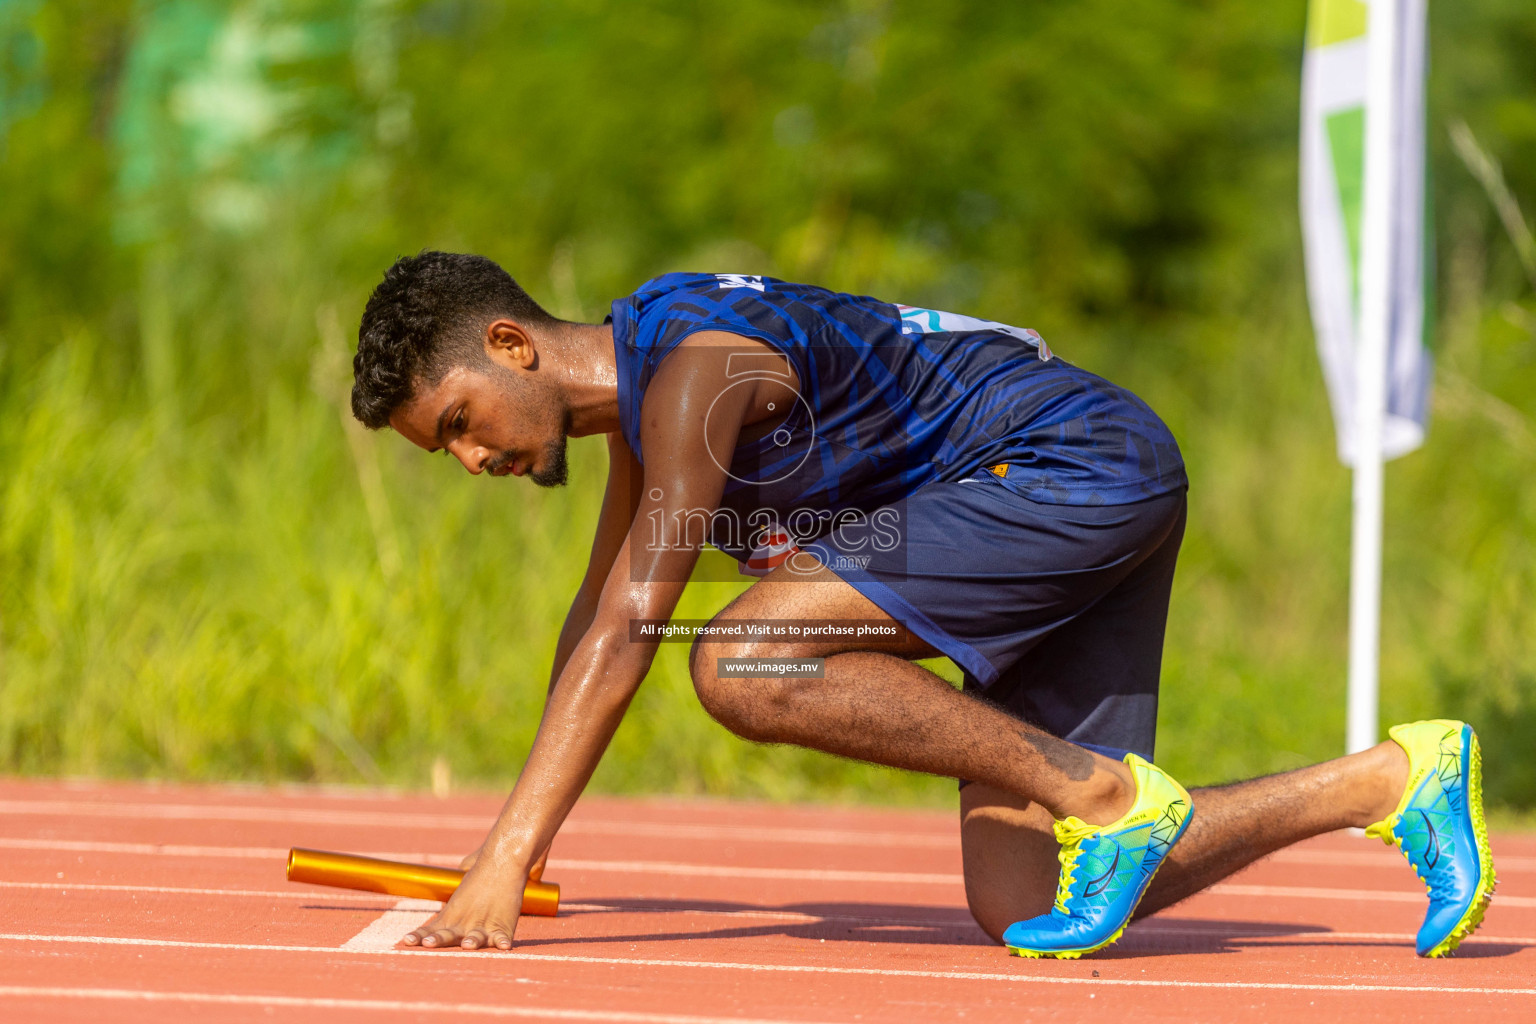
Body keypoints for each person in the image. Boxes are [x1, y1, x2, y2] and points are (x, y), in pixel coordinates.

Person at [350, 250, 1495, 959]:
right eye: (439, 448)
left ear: (510, 345)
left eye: (458, 420)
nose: (468, 458)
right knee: (1026, 903)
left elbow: (633, 627)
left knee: (741, 659)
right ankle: (1391, 778)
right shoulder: (648, 417)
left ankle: (1102, 793)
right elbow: (595, 617)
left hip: (1071, 465)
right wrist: (507, 836)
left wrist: (505, 862)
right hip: (1050, 492)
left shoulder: (693, 363)